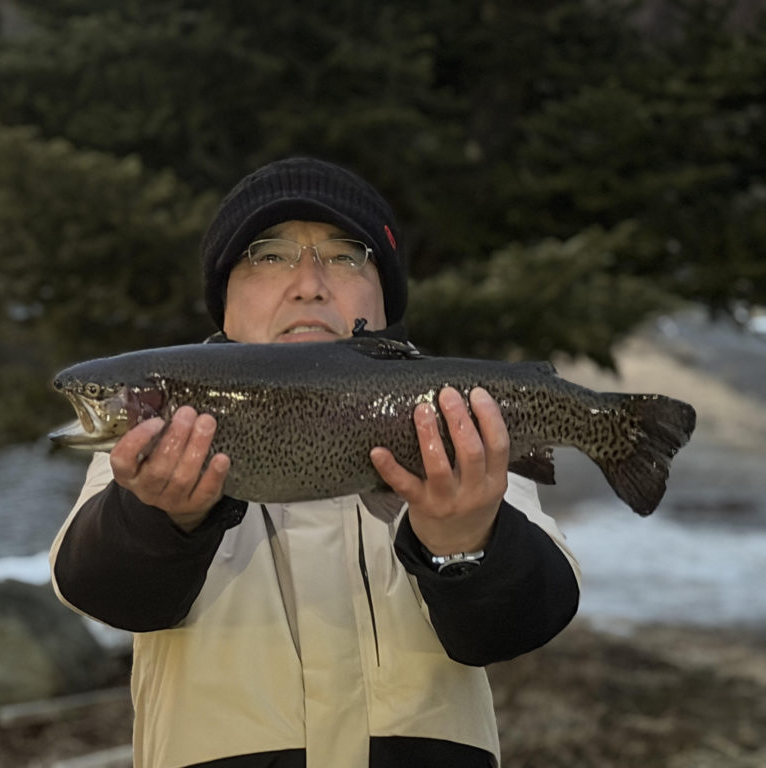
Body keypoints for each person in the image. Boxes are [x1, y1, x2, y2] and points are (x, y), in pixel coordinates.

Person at [50, 157, 580, 768]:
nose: (308, 282)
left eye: (346, 255)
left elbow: (520, 626)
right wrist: (159, 520)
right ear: (224, 301)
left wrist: (464, 543)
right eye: (268, 255)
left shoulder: (454, 419)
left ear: (387, 297)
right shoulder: (146, 451)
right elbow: (105, 593)